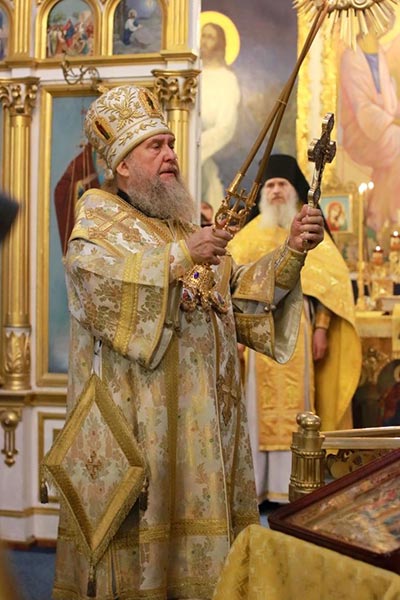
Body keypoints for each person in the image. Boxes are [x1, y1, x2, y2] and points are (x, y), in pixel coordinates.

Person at [51, 86, 324, 599]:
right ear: (123, 165)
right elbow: (94, 285)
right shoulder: (98, 218)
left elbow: (238, 296)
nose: (171, 154)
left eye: (172, 144)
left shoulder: (181, 224)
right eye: (155, 146)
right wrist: (181, 257)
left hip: (205, 433)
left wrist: (290, 252)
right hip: (143, 430)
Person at [229, 154, 362, 505]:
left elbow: (329, 288)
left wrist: (322, 329)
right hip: (257, 332)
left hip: (299, 330)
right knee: (255, 410)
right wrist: (235, 334)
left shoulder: (309, 233)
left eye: (281, 184)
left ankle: (295, 484)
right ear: (262, 193)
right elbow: (232, 289)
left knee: (299, 405)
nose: (275, 190)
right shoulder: (245, 238)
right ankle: (258, 486)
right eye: (270, 185)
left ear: (294, 191)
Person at [340, 20, 400, 233]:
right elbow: (362, 107)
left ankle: (379, 220)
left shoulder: (380, 54)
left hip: (383, 128)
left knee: (391, 164)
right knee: (398, 141)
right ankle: (388, 216)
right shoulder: (351, 57)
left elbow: (390, 102)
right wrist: (391, 121)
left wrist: (394, 118)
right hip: (360, 132)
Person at [200, 22, 241, 215]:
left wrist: (198, 147)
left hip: (210, 149)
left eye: (210, 37)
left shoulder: (227, 79)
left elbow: (226, 126)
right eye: (203, 35)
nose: (204, 41)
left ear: (220, 44)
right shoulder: (191, 73)